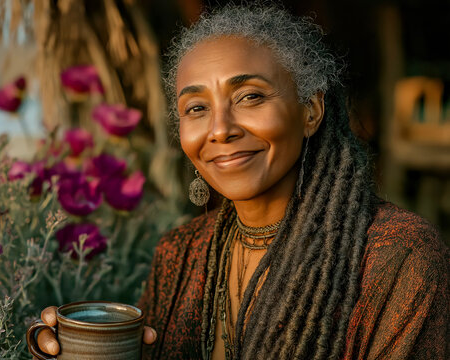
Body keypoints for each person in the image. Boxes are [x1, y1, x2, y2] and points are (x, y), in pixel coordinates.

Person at [32, 4, 448, 359]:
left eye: (250, 96)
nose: (220, 129)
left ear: (311, 111)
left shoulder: (396, 260)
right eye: (196, 108)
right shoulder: (180, 255)